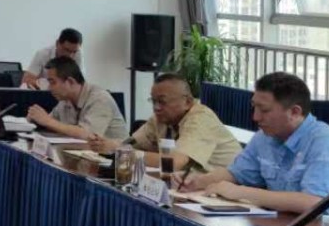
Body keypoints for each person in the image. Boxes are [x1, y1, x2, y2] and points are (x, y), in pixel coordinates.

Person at [181, 72, 329, 226]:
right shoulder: (265, 136)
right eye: (254, 107)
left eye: (264, 110)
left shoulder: (325, 141)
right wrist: (198, 181)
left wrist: (241, 192)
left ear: (294, 112)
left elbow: (314, 202)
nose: (255, 117)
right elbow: (236, 174)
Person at [82, 73, 242, 175]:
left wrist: (122, 152)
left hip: (229, 192)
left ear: (187, 102)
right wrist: (109, 145)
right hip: (190, 187)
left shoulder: (201, 119)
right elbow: (131, 144)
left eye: (162, 102)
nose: (156, 108)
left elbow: (174, 163)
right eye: (153, 101)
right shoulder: (161, 118)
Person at [27, 56, 126, 141]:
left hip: (114, 156)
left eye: (53, 82)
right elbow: (52, 123)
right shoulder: (65, 100)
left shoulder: (100, 99)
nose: (49, 88)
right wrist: (36, 120)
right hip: (81, 153)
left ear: (70, 81)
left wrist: (48, 121)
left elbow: (89, 135)